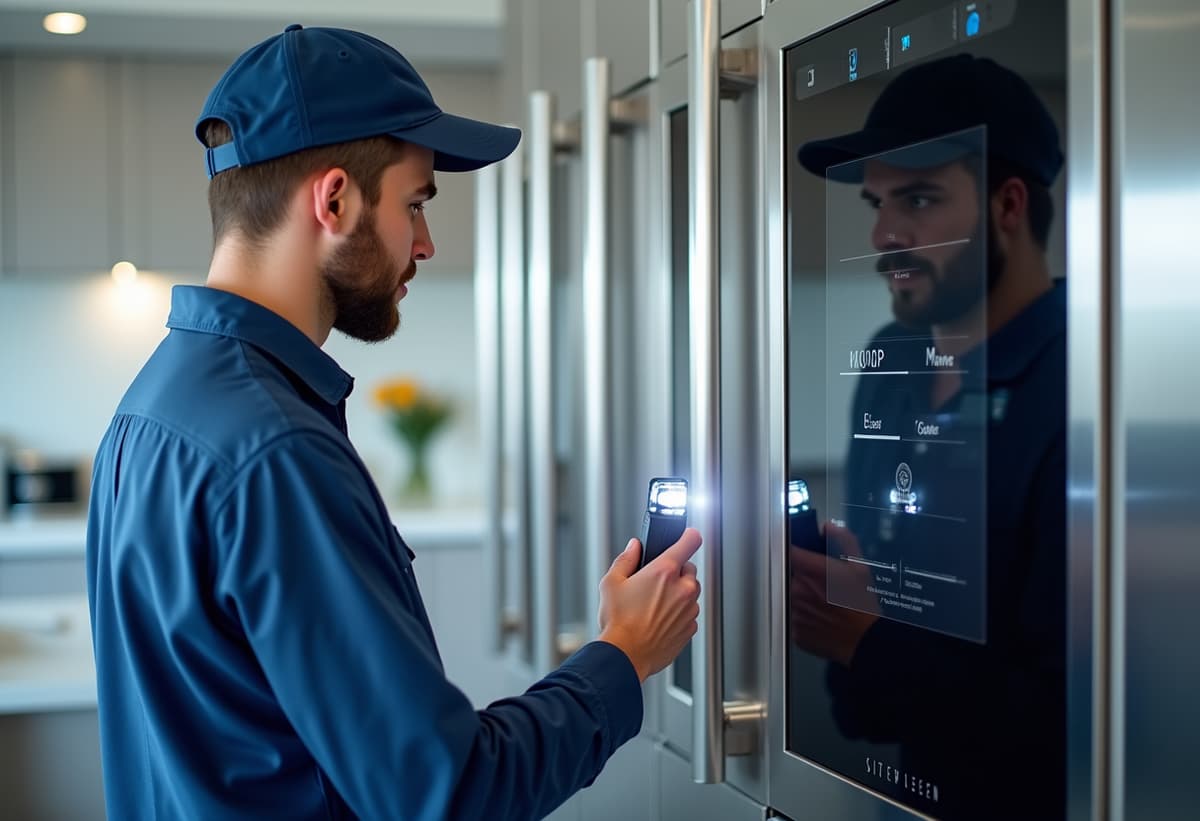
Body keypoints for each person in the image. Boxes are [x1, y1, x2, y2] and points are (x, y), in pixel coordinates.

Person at [86, 25, 702, 821]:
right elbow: (446, 792)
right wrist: (622, 654)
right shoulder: (275, 451)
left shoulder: (150, 409)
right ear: (334, 199)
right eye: (414, 204)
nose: (425, 242)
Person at [789, 54, 1067, 819]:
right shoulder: (891, 362)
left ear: (1009, 204)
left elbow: (1078, 717)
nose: (883, 232)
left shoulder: (1089, 385)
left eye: (917, 198)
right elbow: (870, 663)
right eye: (878, 202)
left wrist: (861, 640)